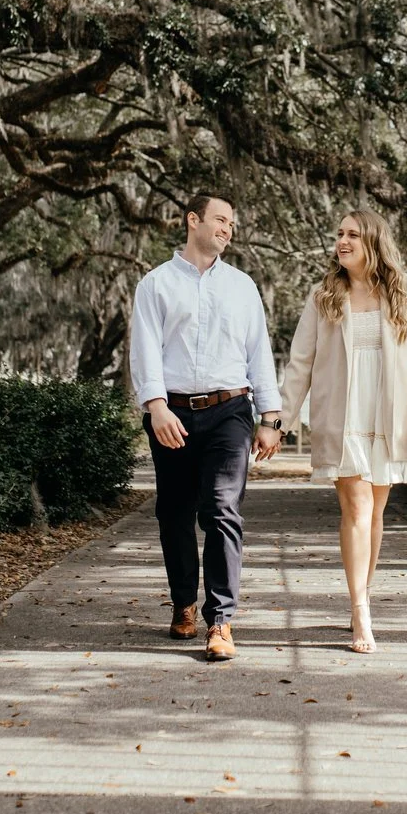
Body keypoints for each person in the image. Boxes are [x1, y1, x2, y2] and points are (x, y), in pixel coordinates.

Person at [129, 193, 283, 661]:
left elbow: (259, 353)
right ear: (192, 220)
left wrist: (270, 418)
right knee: (173, 513)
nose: (227, 229)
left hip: (229, 411)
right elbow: (145, 350)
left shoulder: (242, 287)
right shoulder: (156, 284)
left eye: (231, 223)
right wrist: (156, 407)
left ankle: (220, 621)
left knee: (221, 508)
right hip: (172, 414)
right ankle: (184, 604)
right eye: (220, 219)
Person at [279, 210, 407, 653]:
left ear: (373, 241)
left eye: (352, 234)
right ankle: (361, 610)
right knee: (357, 507)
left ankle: (361, 596)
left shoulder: (403, 289)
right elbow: (300, 362)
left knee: (375, 512)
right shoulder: (324, 295)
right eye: (339, 233)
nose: (342, 241)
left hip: (389, 415)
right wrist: (279, 422)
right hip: (342, 415)